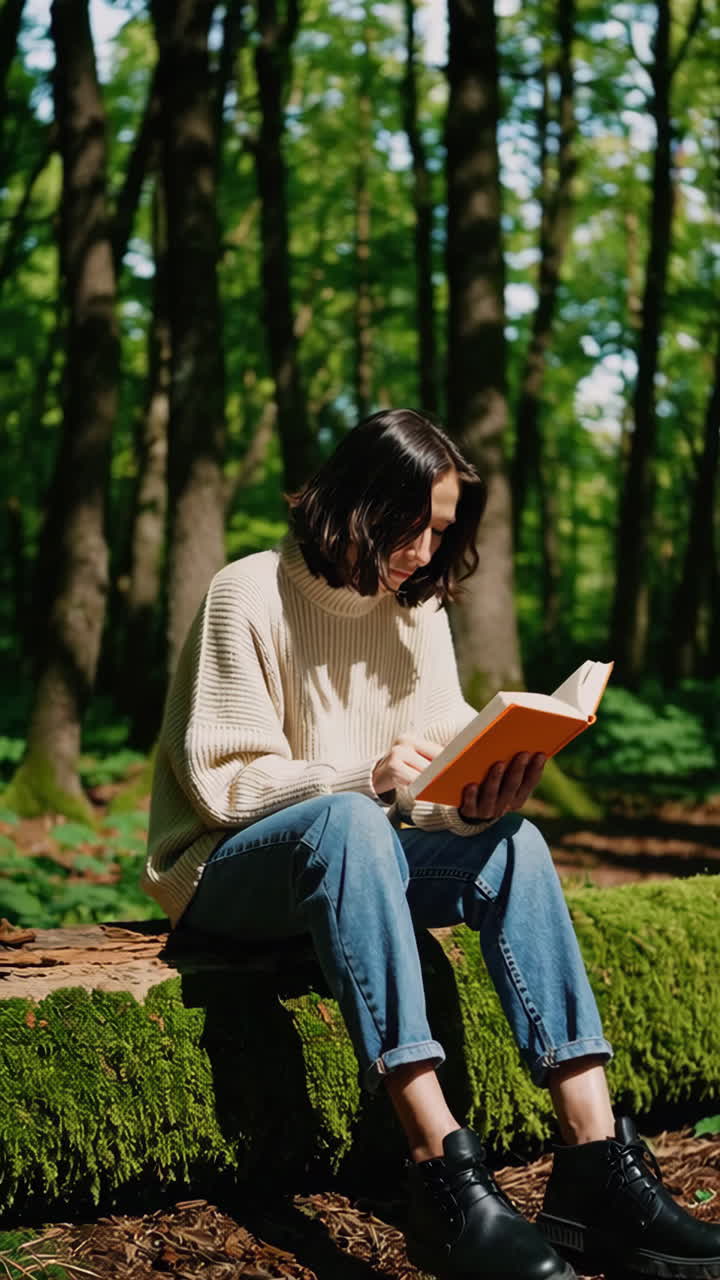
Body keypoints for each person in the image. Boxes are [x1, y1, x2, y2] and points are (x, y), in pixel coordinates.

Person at [143, 409, 720, 1280]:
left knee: (516, 844)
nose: (421, 550)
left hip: (360, 862)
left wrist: (480, 803)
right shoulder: (247, 592)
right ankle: (439, 1168)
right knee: (345, 819)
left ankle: (595, 1160)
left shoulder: (420, 614)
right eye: (408, 526)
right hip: (227, 876)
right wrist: (364, 776)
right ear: (355, 504)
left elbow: (429, 793)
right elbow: (222, 783)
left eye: (440, 531)